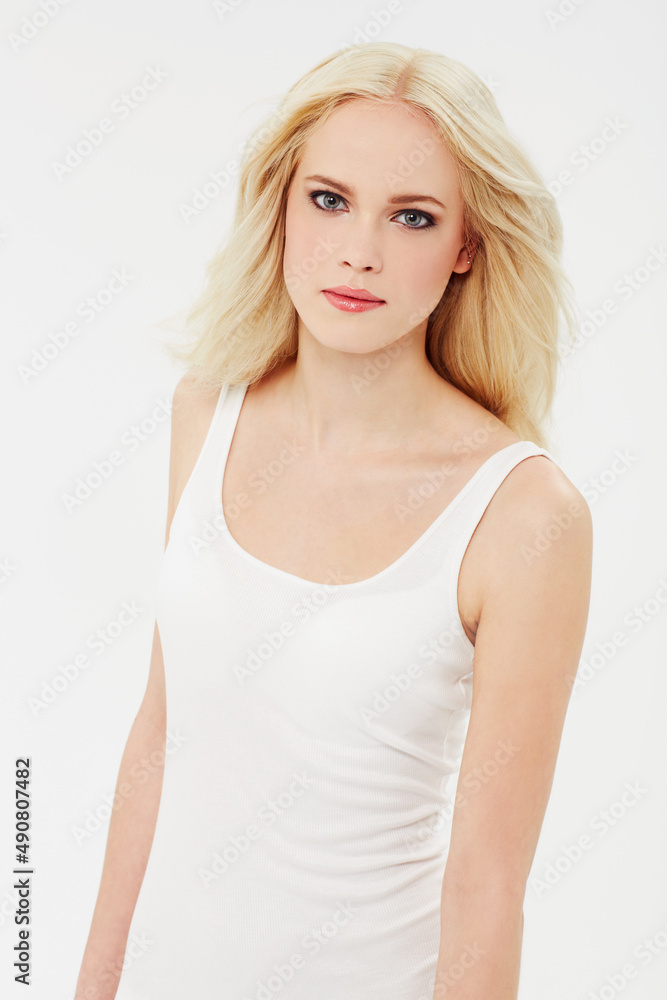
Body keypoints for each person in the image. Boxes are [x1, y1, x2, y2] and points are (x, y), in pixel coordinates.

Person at [75, 42, 593, 1000]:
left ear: (467, 247)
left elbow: (488, 884)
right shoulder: (208, 411)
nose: (359, 250)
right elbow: (158, 738)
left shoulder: (522, 515)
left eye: (412, 217)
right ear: (280, 204)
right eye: (328, 199)